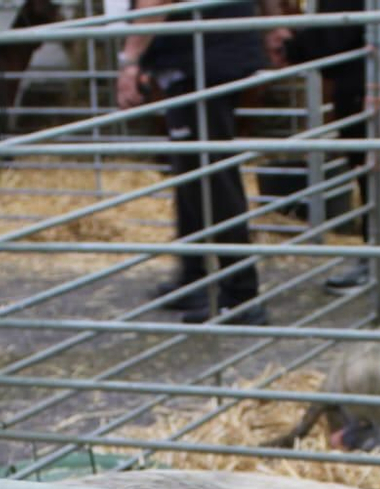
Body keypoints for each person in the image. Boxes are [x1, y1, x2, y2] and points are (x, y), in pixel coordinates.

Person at [116, 0, 273, 326]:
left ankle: (240, 295)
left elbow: (156, 1)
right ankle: (195, 275)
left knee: (212, 173)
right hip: (208, 53)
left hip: (202, 58)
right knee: (191, 169)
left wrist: (130, 59)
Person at [280, 0, 380, 292]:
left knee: (368, 158)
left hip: (374, 67)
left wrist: (293, 47)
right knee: (379, 153)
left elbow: (338, 27)